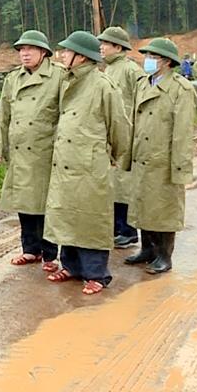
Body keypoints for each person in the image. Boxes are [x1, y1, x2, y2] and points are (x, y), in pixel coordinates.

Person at [44, 31, 131, 295]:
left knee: (91, 219)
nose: (62, 55)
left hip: (90, 164)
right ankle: (71, 266)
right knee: (67, 215)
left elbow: (119, 127)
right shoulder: (67, 81)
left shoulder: (102, 85)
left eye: (67, 51)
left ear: (81, 57)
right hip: (65, 162)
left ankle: (96, 274)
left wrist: (114, 157)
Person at [0, 30, 64, 273]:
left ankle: (50, 254)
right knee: (24, 202)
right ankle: (30, 249)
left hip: (45, 151)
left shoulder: (59, 75)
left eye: (30, 49)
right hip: (20, 152)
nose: (25, 53)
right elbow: (3, 116)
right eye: (21, 49)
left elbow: (67, 113)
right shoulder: (13, 78)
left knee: (45, 204)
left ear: (43, 52)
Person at [125, 38, 196, 274]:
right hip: (142, 156)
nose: (147, 60)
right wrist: (128, 156)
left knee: (164, 209)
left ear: (166, 61)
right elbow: (134, 122)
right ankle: (147, 249)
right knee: (144, 205)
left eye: (152, 56)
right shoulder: (143, 84)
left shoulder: (181, 89)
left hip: (163, 160)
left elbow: (183, 133)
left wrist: (180, 168)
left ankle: (164, 256)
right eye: (147, 56)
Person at [97, 26, 144, 248]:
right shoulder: (109, 69)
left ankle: (128, 231)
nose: (101, 48)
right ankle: (117, 228)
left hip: (128, 134)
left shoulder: (131, 70)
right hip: (112, 135)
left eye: (105, 44)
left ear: (118, 47)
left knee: (124, 185)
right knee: (114, 185)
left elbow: (143, 102)